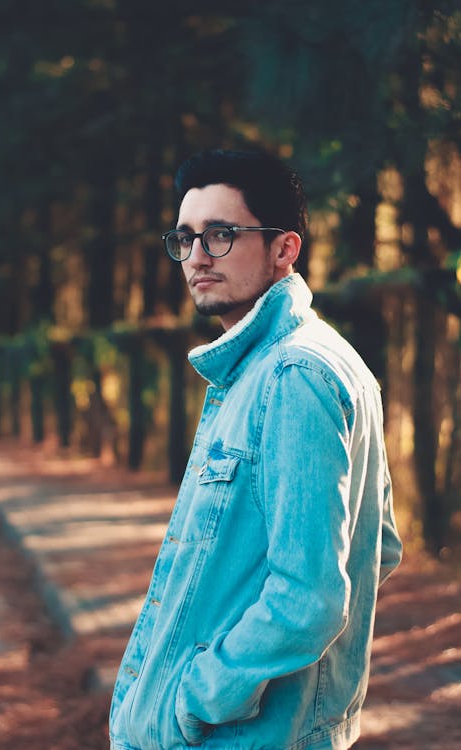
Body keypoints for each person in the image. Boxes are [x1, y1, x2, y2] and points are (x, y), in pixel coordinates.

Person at [109, 149, 402, 750]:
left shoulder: (293, 376)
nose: (196, 257)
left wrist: (192, 700)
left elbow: (310, 599)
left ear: (284, 249)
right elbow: (381, 548)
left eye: (220, 235)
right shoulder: (296, 365)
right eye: (185, 238)